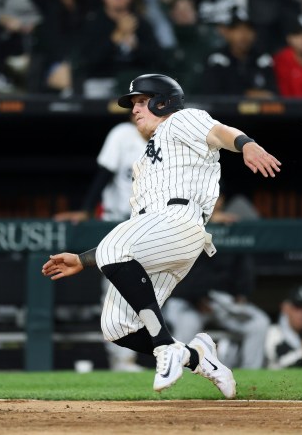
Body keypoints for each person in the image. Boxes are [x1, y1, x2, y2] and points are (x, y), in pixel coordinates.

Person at [42, 73, 281, 397]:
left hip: (180, 219)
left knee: (115, 247)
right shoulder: (144, 161)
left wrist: (246, 144)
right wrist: (84, 260)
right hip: (161, 237)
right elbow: (133, 240)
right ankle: (197, 356)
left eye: (142, 101)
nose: (135, 109)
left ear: (162, 101)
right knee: (115, 328)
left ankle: (165, 346)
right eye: (133, 104)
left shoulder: (180, 120)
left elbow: (221, 132)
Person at [54, 113, 147, 372]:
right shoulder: (122, 134)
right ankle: (122, 359)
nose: (139, 112)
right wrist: (85, 210)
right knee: (116, 290)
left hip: (149, 226)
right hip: (116, 222)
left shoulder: (168, 139)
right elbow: (104, 173)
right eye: (136, 106)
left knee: (148, 292)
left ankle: (152, 353)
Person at [163, 190, 270, 369]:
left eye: (216, 197)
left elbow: (243, 265)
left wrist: (241, 292)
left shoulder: (230, 225)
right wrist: (207, 224)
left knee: (259, 323)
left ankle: (252, 377)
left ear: (222, 200)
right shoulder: (180, 220)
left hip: (219, 301)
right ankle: (179, 375)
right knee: (188, 324)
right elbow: (177, 269)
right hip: (186, 301)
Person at [200, 9, 277, 98]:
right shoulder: (217, 59)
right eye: (237, 29)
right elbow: (212, 95)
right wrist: (248, 94)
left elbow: (273, 94)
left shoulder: (263, 59)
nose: (243, 35)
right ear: (227, 33)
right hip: (223, 111)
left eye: (248, 29)